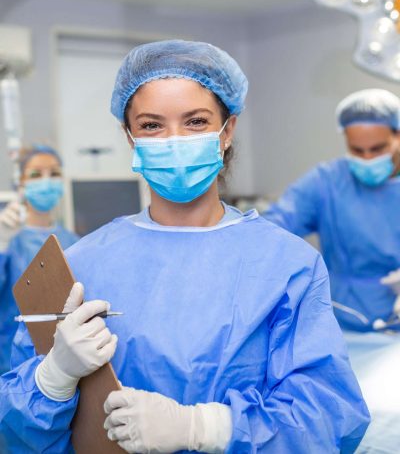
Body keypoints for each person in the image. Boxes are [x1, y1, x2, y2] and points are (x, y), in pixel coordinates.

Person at [0, 41, 369, 453]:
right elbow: (17, 435)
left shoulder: (288, 265)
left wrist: (204, 427)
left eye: (195, 122)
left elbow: (330, 416)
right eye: (152, 125)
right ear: (129, 136)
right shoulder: (80, 264)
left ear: (226, 131)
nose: (174, 140)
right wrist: (51, 380)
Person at [264, 89, 400, 332]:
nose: (367, 158)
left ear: (397, 136)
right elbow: (273, 229)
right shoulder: (326, 182)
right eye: (357, 151)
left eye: (378, 149)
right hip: (342, 319)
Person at [0, 145, 79, 374]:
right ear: (20, 183)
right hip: (10, 363)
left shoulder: (73, 241)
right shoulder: (8, 239)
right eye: (35, 174)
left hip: (66, 364)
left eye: (54, 173)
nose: (46, 181)